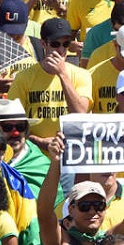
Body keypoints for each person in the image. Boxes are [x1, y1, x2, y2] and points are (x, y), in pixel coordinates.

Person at [8, 18, 93, 152]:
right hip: (35, 154)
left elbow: (80, 113)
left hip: (70, 153)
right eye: (55, 44)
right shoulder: (24, 77)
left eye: (66, 44)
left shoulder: (82, 75)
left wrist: (62, 74)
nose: (61, 50)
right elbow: (11, 122)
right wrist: (38, 141)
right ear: (43, 43)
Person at [0, 99, 56, 201]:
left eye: (20, 127)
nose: (15, 133)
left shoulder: (42, 165)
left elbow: (54, 205)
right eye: (7, 127)